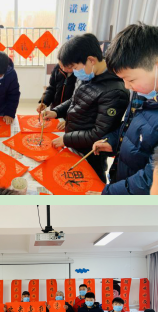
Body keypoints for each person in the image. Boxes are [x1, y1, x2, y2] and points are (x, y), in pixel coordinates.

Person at [43, 33, 130, 182]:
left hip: (91, 153)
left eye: (75, 67)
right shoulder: (90, 74)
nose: (75, 72)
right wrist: (56, 112)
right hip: (76, 143)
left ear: (91, 60)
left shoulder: (115, 91)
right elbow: (76, 99)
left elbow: (99, 133)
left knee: (90, 182)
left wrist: (67, 139)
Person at [90, 23, 158, 195]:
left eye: (131, 80)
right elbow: (130, 128)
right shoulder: (143, 93)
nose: (127, 86)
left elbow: (149, 180)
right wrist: (112, 141)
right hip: (122, 179)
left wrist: (110, 193)